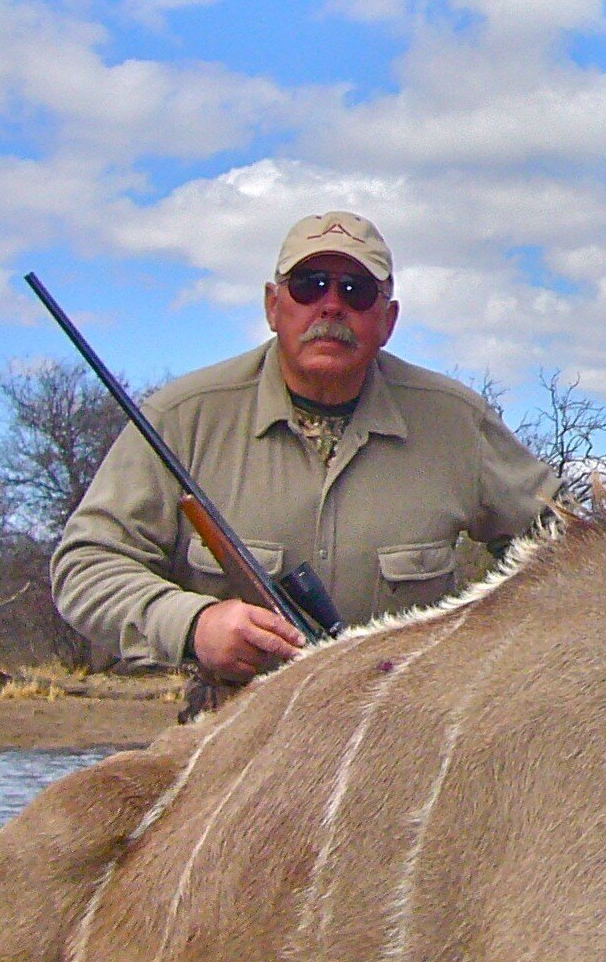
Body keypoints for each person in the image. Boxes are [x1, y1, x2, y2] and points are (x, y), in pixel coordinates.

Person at [52, 211, 556, 695]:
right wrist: (194, 625)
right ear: (273, 306)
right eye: (309, 285)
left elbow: (571, 550)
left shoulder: (458, 421)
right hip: (233, 734)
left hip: (406, 734)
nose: (331, 306)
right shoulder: (181, 417)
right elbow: (87, 564)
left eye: (356, 292)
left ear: (388, 320)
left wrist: (490, 663)